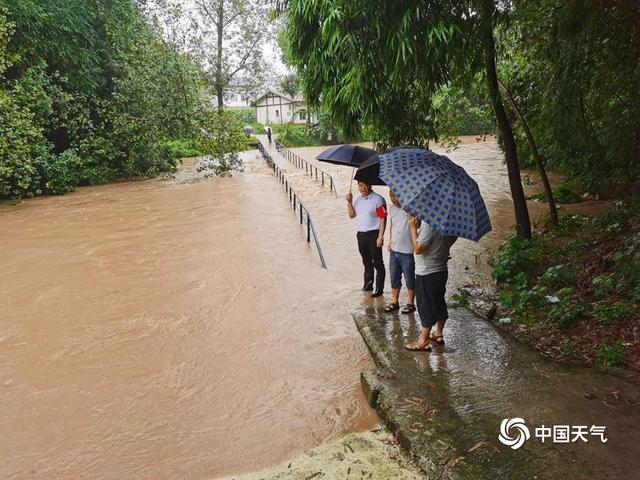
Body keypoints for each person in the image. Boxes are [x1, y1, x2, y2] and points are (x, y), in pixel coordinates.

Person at [404, 214, 457, 351]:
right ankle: (438, 333)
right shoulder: (451, 221)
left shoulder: (430, 224)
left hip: (426, 271)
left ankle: (424, 340)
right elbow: (450, 239)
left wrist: (412, 229)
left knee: (425, 305)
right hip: (441, 269)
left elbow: (418, 249)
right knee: (439, 301)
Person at [346, 181, 387, 297]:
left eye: (365, 184)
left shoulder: (378, 199)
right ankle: (368, 285)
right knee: (366, 262)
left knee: (378, 262)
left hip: (374, 234)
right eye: (360, 185)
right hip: (361, 235)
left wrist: (381, 236)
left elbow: (383, 218)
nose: (362, 188)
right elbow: (352, 215)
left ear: (370, 185)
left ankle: (379, 289)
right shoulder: (358, 200)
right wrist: (349, 202)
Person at [385, 190, 417, 313]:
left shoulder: (411, 208)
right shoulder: (392, 209)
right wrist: (389, 241)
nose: (393, 199)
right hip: (394, 250)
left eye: (395, 196)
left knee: (409, 278)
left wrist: (409, 215)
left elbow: (417, 225)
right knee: (394, 277)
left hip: (407, 251)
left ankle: (410, 303)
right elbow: (392, 226)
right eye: (391, 196)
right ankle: (394, 301)